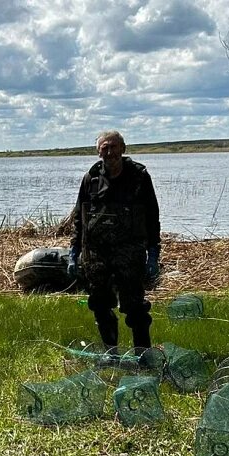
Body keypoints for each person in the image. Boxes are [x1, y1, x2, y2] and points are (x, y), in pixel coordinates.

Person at [68, 130, 161, 351]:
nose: (110, 152)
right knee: (100, 304)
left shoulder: (139, 177)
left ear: (123, 149)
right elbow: (79, 218)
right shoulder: (91, 179)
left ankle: (143, 355)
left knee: (135, 307)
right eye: (105, 148)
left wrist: (153, 253)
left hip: (130, 253)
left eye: (114, 147)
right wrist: (73, 253)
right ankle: (111, 353)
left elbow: (152, 217)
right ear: (98, 152)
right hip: (96, 255)